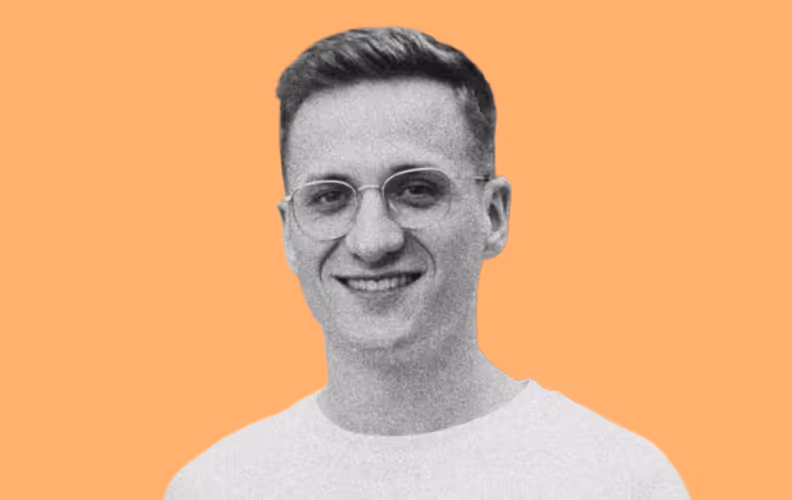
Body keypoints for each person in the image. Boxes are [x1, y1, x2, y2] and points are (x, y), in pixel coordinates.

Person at [164, 27, 690, 499]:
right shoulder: (218, 487)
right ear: (288, 232)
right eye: (330, 197)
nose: (373, 240)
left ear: (493, 215)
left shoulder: (618, 480)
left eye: (416, 190)